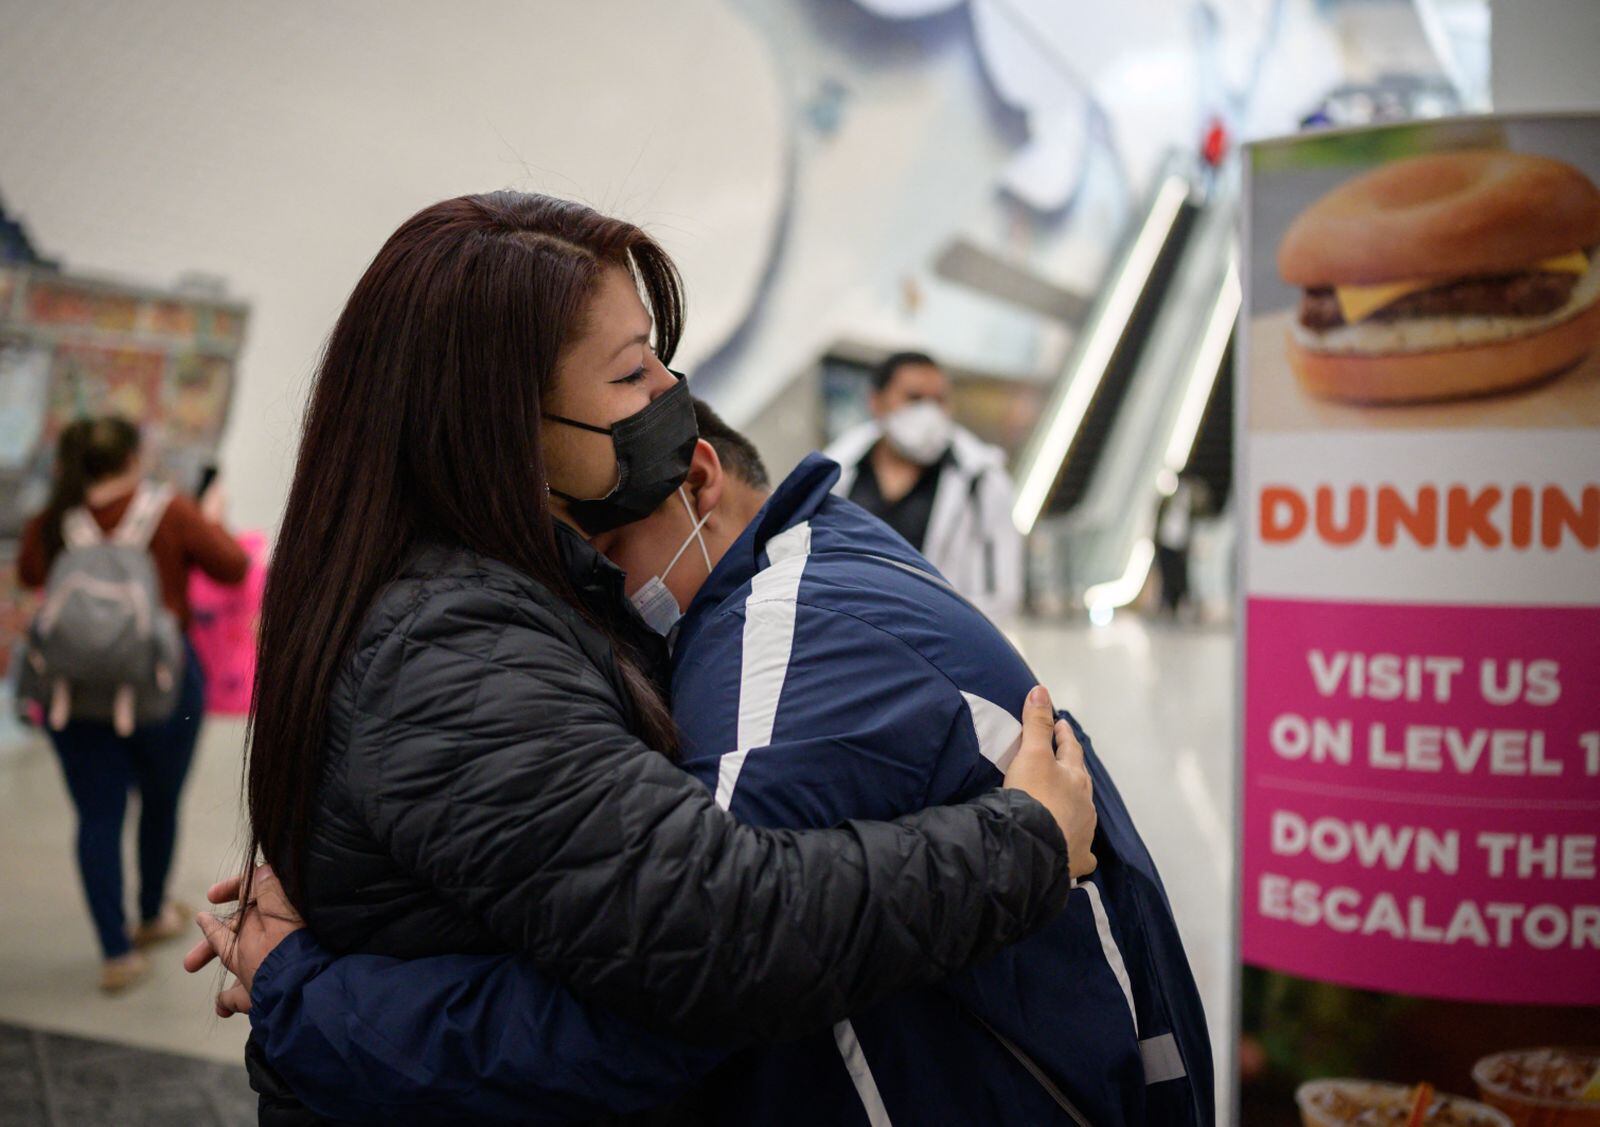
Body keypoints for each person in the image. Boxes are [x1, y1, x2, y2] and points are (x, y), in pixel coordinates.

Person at [219, 191, 1098, 1123]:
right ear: (504, 422)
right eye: (633, 372)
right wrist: (1024, 842)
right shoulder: (450, 648)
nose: (672, 396)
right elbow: (718, 937)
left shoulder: (520, 601)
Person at [192, 401, 1212, 1124]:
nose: (578, 576)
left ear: (695, 477)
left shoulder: (773, 645)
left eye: (589, 536)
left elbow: (672, 988)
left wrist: (301, 987)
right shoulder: (816, 564)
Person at [17, 415, 248, 992]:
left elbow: (28, 573)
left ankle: (116, 953)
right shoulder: (169, 510)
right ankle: (150, 915)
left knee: (97, 815)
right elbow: (234, 566)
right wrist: (211, 518)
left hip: (74, 693)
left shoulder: (53, 520)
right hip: (163, 688)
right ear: (130, 458)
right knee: (160, 803)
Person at [823, 350, 1023, 621]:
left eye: (939, 400)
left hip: (941, 644)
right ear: (877, 402)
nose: (929, 412)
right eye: (914, 398)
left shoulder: (982, 479)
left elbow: (1003, 593)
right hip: (849, 636)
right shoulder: (836, 472)